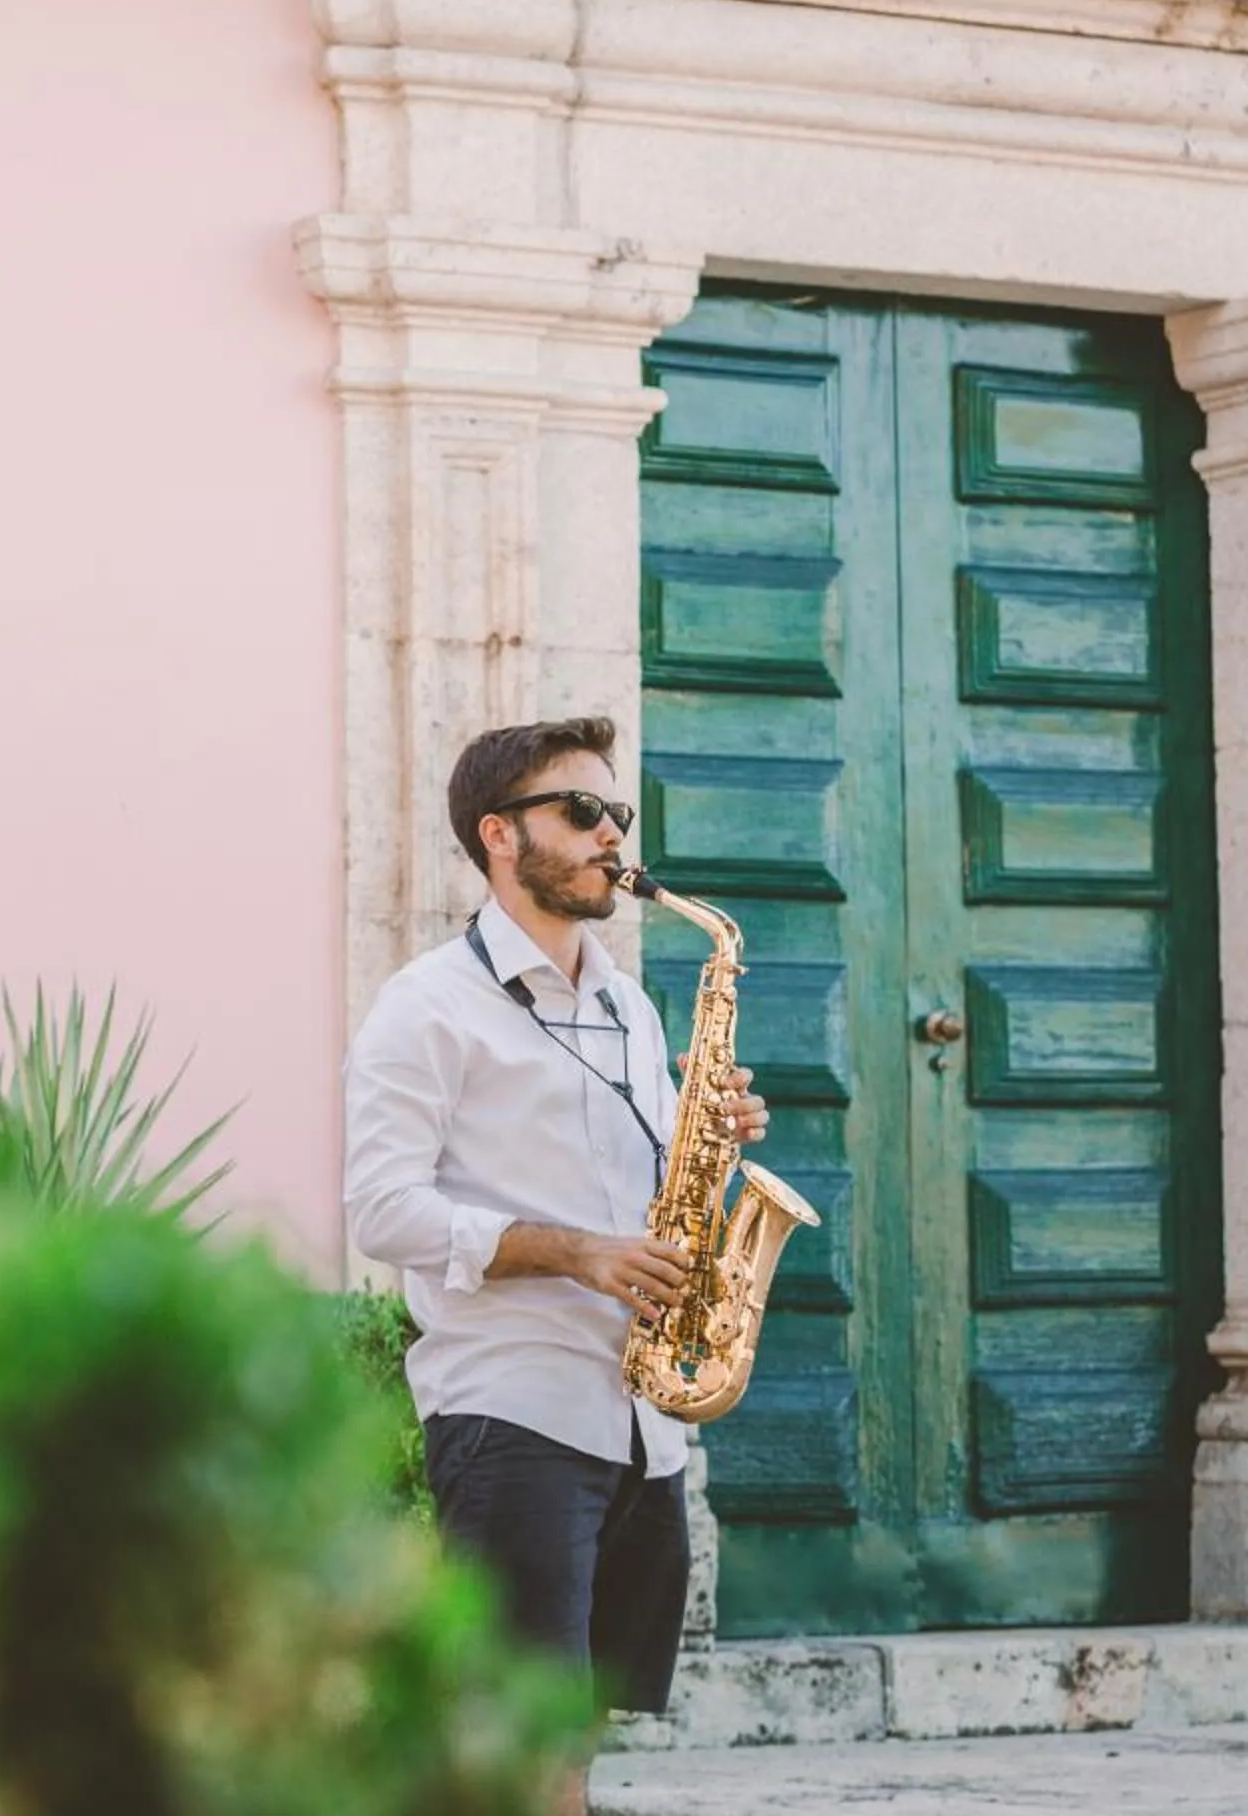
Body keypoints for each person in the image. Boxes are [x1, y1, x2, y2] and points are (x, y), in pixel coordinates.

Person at [342, 716, 766, 1796]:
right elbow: (383, 1210)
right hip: (513, 1414)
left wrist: (711, 1142)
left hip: (638, 1423)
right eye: (580, 812)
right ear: (499, 834)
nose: (611, 835)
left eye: (616, 811)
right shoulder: (426, 1006)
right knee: (515, 1751)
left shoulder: (626, 1003)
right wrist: (575, 1252)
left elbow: (655, 1206)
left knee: (569, 1743)